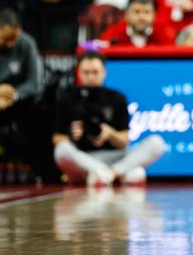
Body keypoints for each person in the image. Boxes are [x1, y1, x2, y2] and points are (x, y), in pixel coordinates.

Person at [52, 52, 165, 186]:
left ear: (104, 72)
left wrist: (110, 133)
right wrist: (72, 136)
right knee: (61, 150)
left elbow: (124, 141)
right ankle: (112, 174)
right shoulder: (68, 99)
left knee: (157, 143)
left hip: (115, 156)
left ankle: (108, 174)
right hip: (83, 157)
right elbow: (57, 138)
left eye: (95, 72)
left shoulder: (116, 98)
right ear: (79, 72)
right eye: (85, 72)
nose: (90, 77)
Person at [0, 9, 43, 172]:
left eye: (14, 38)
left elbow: (33, 83)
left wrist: (13, 96)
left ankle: (37, 168)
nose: (11, 44)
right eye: (6, 39)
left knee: (40, 110)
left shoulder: (26, 43)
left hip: (18, 100)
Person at [100, 0, 175, 47]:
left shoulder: (165, 35)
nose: (141, 17)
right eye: (136, 12)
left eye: (146, 12)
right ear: (126, 15)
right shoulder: (112, 35)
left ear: (154, 16)